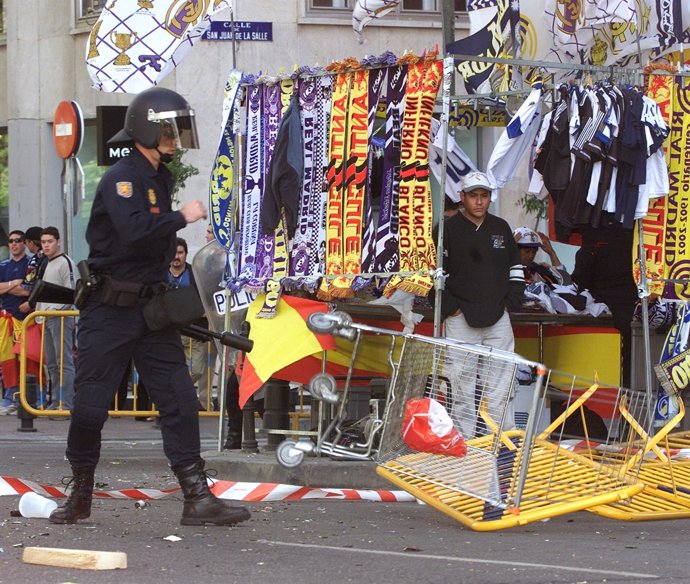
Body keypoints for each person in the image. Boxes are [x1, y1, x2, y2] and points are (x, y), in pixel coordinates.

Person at [49, 87, 250, 526]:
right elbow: (135, 230)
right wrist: (182, 217)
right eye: (168, 129)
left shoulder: (158, 176)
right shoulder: (123, 177)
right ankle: (80, 492)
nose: (175, 138)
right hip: (109, 309)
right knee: (91, 406)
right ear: (146, 128)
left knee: (179, 399)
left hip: (150, 310)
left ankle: (197, 498)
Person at [436, 171, 525, 439]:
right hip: (461, 319)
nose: (479, 201)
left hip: (498, 318)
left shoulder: (501, 227)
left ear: (489, 198)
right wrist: (452, 308)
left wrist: (511, 302)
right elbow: (433, 274)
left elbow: (516, 268)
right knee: (461, 385)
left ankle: (503, 442)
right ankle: (467, 444)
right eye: (473, 195)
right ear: (462, 198)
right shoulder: (446, 230)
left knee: (502, 384)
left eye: (484, 196)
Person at [168, 237, 212, 410]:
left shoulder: (196, 274)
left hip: (195, 331)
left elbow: (206, 297)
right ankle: (179, 402)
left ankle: (178, 395)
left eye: (180, 253)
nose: (176, 256)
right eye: (174, 253)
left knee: (196, 370)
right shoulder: (160, 275)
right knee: (172, 369)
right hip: (171, 332)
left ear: (186, 254)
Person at [36, 226, 77, 413]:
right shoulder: (45, 262)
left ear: (58, 241)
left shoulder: (65, 262)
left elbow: (72, 292)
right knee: (51, 363)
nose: (46, 245)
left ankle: (66, 403)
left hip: (60, 317)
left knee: (63, 362)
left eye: (49, 241)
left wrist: (57, 312)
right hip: (46, 318)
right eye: (43, 242)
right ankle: (55, 402)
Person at [0, 230, 31, 415]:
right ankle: (9, 397)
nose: (13, 244)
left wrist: (7, 288)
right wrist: (14, 283)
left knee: (27, 359)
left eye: (18, 241)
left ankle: (29, 398)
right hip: (6, 319)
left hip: (26, 319)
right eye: (11, 241)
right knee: (7, 360)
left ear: (24, 243)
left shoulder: (31, 264)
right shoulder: (3, 265)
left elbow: (28, 290)